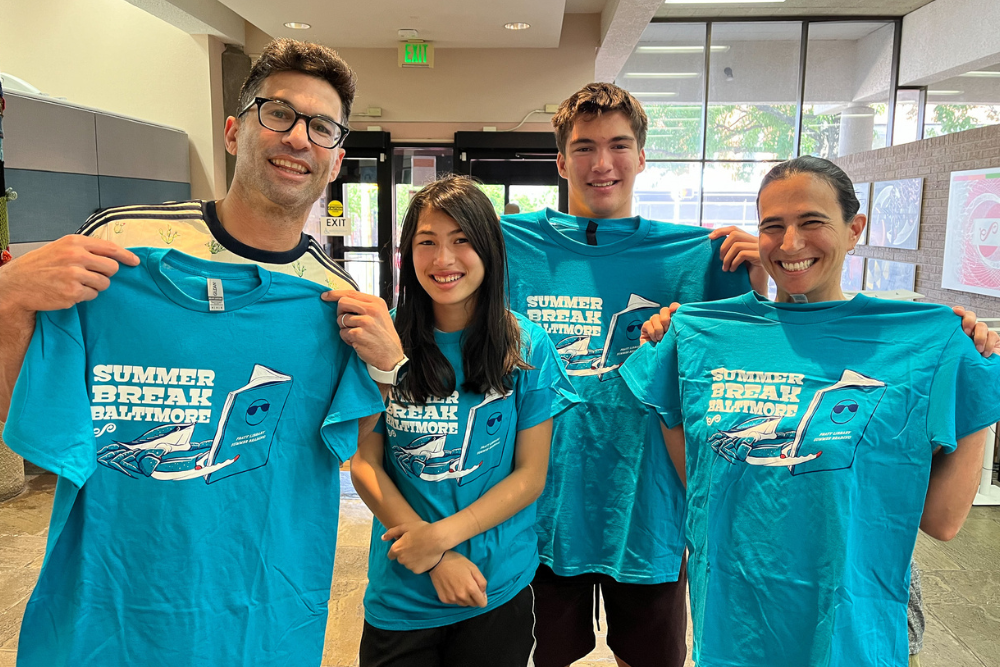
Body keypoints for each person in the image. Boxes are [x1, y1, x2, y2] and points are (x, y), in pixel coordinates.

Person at [621, 155, 1000, 667]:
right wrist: (670, 350)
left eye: (812, 222)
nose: (791, 242)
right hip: (740, 622)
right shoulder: (703, 337)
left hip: (856, 622)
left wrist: (978, 382)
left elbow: (944, 520)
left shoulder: (913, 343)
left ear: (854, 228)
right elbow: (702, 483)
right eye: (773, 226)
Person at [0, 38, 405, 423]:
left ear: (336, 164)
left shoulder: (337, 297)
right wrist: (8, 295)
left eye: (322, 127)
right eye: (279, 113)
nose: (298, 138)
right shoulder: (116, 241)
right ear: (233, 133)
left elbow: (339, 438)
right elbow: (21, 408)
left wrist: (387, 370)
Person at [501, 82, 765, 667]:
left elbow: (753, 362)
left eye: (619, 145)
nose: (602, 164)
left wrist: (760, 279)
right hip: (539, 508)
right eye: (585, 146)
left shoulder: (700, 257)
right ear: (561, 160)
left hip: (649, 510)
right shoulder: (504, 246)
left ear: (643, 157)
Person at [350, 176, 580, 667]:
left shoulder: (528, 347)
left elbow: (530, 475)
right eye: (427, 242)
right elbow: (365, 461)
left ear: (490, 250)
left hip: (494, 588)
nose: (443, 260)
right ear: (407, 253)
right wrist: (430, 553)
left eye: (462, 241)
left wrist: (443, 536)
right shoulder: (381, 338)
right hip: (403, 592)